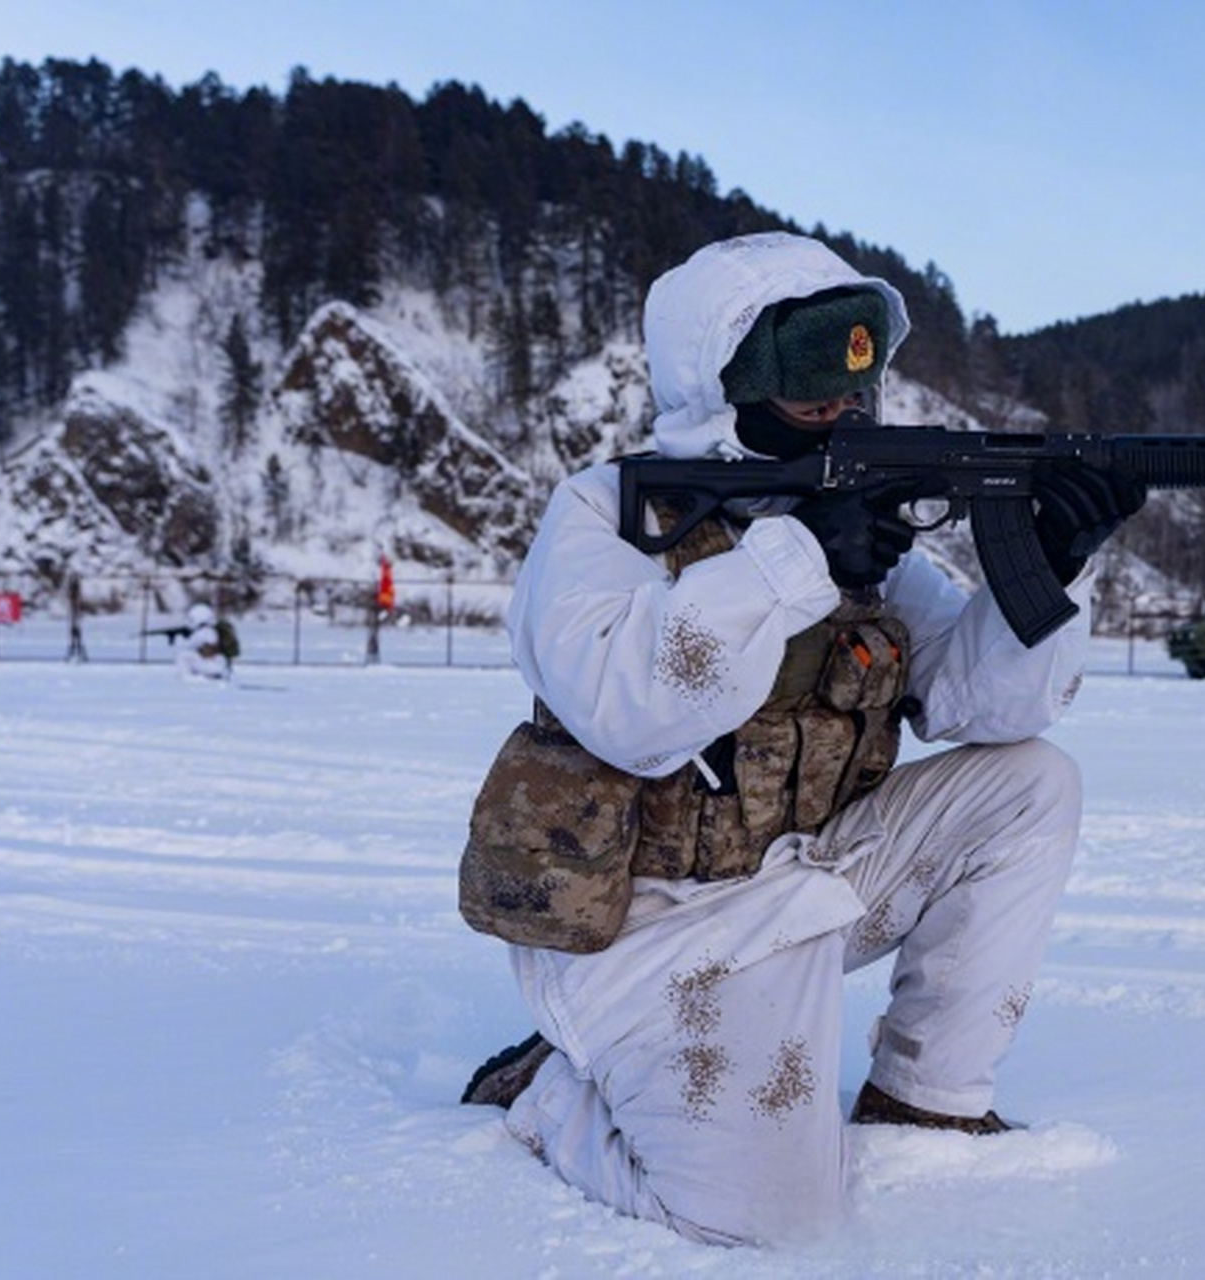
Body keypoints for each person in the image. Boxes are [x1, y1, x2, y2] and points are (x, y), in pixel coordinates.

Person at [459, 231, 1144, 1247]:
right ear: (724, 378)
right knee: (771, 1222)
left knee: (1029, 783)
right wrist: (792, 562)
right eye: (808, 388)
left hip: (806, 875)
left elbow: (978, 704)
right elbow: (628, 708)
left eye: (849, 389)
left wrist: (1047, 568)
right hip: (650, 924)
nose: (838, 409)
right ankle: (549, 1091)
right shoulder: (606, 515)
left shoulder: (850, 520)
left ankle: (925, 1096)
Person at [176, 601, 231, 681]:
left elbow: (191, 646)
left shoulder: (203, 632)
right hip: (214, 664)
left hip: (209, 665)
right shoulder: (211, 632)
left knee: (183, 656)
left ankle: (189, 678)